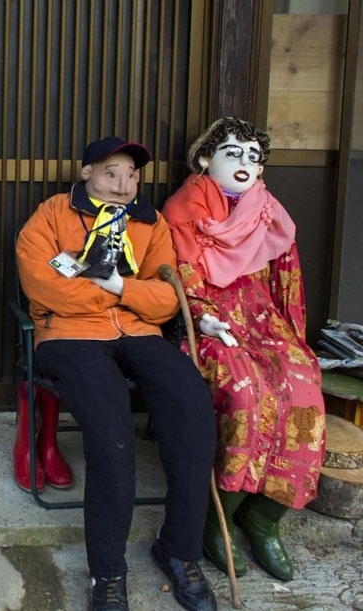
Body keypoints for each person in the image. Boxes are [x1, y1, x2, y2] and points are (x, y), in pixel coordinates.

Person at [16, 137, 218, 611]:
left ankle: (179, 549)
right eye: (111, 172)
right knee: (111, 435)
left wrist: (118, 287)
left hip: (139, 333)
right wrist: (124, 292)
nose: (123, 184)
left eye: (132, 175)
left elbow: (168, 298)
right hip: (68, 336)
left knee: (193, 410)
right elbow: (45, 288)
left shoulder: (150, 223)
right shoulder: (51, 215)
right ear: (87, 173)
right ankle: (107, 572)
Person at [162, 117, 326, 582]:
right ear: (204, 159)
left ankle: (265, 517)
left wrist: (292, 340)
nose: (245, 164)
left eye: (254, 157)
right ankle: (220, 517)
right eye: (233, 153)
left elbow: (287, 285)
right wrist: (199, 316)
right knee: (246, 394)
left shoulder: (269, 212)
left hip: (266, 325)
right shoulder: (181, 213)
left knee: (304, 390)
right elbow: (173, 278)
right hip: (211, 327)